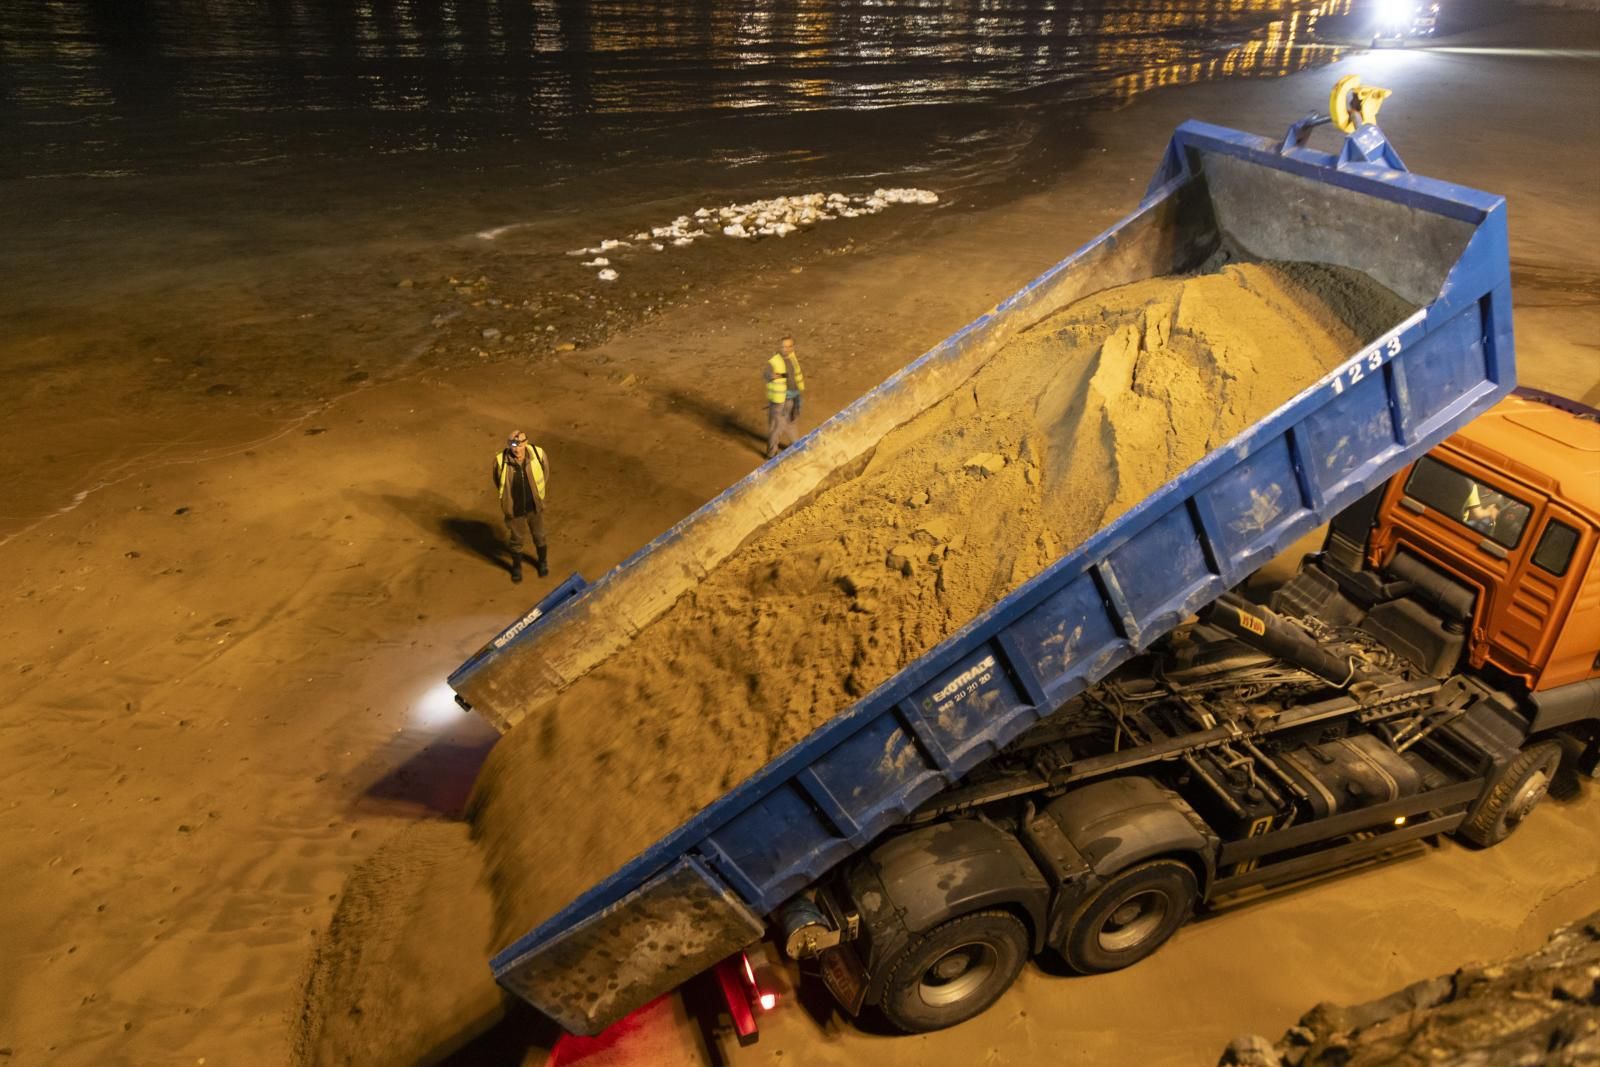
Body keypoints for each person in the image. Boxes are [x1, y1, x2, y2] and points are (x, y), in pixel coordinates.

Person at [493, 430, 550, 583]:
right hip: (515, 510)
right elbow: (498, 482)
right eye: (512, 445)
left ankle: (542, 562)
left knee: (539, 536)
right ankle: (517, 567)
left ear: (526, 443)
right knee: (517, 540)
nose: (516, 449)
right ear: (508, 445)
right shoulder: (500, 461)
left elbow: (545, 474)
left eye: (519, 444)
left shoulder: (538, 454)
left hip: (534, 507)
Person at [764, 334, 806, 459]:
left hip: (792, 399)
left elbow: (795, 377)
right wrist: (772, 376)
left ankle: (795, 446)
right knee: (777, 427)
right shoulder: (775, 361)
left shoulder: (793, 359)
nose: (787, 349)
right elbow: (766, 374)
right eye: (784, 347)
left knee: (792, 423)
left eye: (789, 346)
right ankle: (771, 454)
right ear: (780, 347)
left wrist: (798, 397)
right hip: (779, 402)